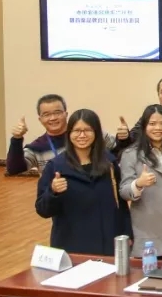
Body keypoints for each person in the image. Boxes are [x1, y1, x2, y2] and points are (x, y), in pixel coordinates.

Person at [35, 109, 129, 256]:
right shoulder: (56, 166)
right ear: (69, 133)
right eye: (77, 131)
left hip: (108, 244)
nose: (82, 135)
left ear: (96, 132)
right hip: (72, 245)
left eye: (87, 130)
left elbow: (121, 204)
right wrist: (53, 192)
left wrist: (127, 233)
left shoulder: (109, 163)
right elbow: (43, 210)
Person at [119, 104, 162, 256]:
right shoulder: (130, 154)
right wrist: (138, 183)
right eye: (152, 123)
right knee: (150, 267)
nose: (158, 128)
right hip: (148, 226)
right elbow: (124, 191)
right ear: (144, 126)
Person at [8, 94, 121, 175]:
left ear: (66, 114)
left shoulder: (88, 135)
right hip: (59, 197)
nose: (53, 118)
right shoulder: (37, 148)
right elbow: (14, 169)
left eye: (57, 113)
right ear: (40, 119)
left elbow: (119, 149)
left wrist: (123, 137)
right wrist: (16, 139)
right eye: (46, 114)